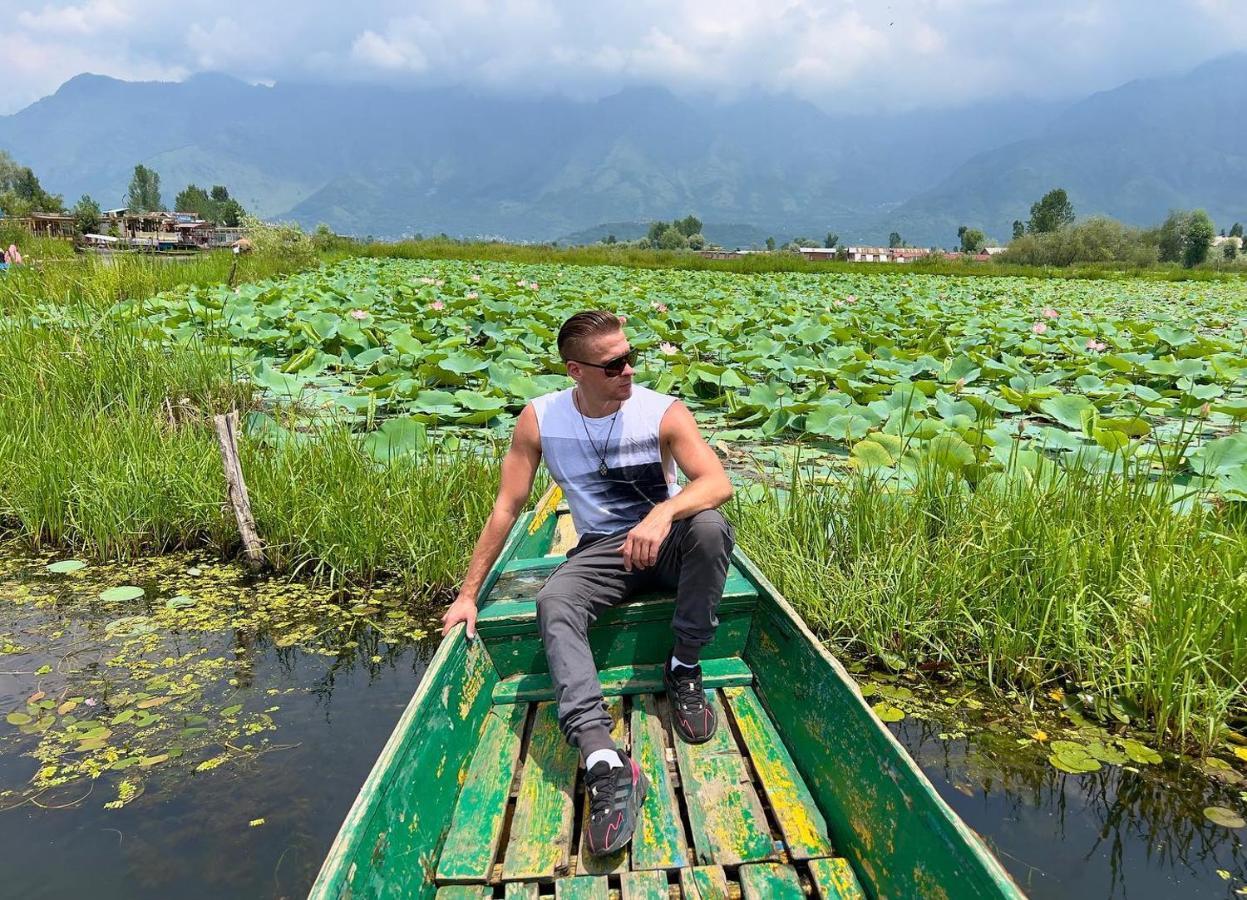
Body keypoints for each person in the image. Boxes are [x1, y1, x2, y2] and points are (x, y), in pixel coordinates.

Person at [442, 309, 735, 857]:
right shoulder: (539, 420)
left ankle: (685, 666)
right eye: (613, 364)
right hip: (603, 551)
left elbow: (717, 481)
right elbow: (508, 505)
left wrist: (662, 515)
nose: (628, 370)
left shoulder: (662, 412)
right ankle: (603, 757)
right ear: (576, 371)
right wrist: (467, 594)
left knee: (713, 528)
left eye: (631, 358)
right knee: (553, 601)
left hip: (667, 540)